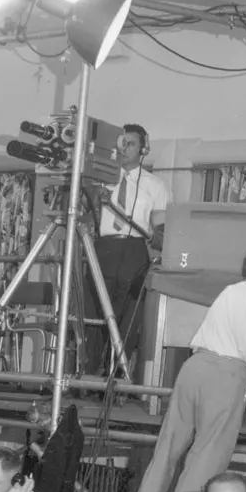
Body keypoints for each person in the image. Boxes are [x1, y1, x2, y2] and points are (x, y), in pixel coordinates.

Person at [122, 243, 246, 492]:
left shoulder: (230, 291)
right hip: (227, 374)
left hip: (194, 366)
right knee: (206, 457)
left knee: (168, 448)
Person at [91, 122, 172, 376]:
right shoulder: (99, 180)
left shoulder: (155, 186)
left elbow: (161, 230)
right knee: (96, 315)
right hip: (100, 249)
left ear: (143, 148)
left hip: (134, 251)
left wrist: (160, 246)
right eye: (121, 143)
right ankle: (90, 374)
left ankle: (116, 378)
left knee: (127, 319)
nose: (124, 148)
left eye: (131, 143)